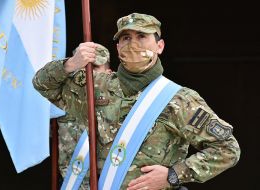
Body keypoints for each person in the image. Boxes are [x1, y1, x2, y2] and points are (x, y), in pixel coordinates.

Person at [33, 13, 240, 190]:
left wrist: (173, 175)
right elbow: (42, 84)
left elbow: (227, 149)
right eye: (125, 38)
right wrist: (71, 64)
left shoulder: (179, 99)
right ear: (117, 47)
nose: (132, 44)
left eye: (141, 36)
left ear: (160, 46)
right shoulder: (94, 86)